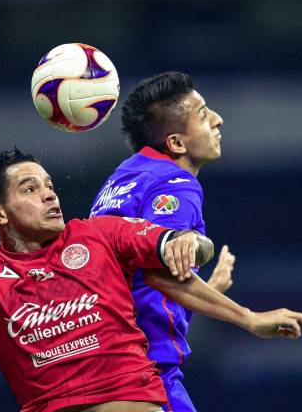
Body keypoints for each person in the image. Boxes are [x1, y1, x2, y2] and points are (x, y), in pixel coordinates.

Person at [0, 62, 302, 412]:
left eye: (50, 184)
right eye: (30, 189)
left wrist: (191, 245)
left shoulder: (98, 234)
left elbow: (169, 250)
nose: (50, 193)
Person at [89, 72, 232, 411]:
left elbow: (136, 284)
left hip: (102, 369)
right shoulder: (176, 183)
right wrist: (247, 317)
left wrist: (206, 290)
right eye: (202, 113)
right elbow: (160, 274)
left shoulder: (120, 179)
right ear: (177, 143)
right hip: (146, 374)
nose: (217, 119)